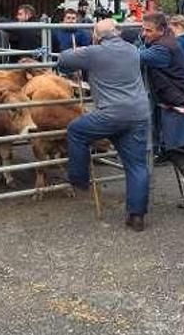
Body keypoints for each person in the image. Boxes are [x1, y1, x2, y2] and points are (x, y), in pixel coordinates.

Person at [59, 18, 151, 232]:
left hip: (110, 114)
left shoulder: (92, 52)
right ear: (117, 33)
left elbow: (63, 62)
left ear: (96, 35)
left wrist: (80, 50)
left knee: (76, 130)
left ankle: (79, 179)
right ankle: (136, 216)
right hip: (138, 113)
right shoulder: (132, 50)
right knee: (137, 166)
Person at [140, 12, 184, 208]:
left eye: (148, 30)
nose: (144, 34)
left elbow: (137, 56)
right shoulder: (168, 41)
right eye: (143, 29)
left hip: (178, 102)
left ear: (162, 30)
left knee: (174, 148)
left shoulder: (161, 49)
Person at [53, 9, 92, 77]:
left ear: (76, 20)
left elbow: (86, 50)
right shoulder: (56, 31)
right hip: (61, 67)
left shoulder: (82, 32)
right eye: (68, 18)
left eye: (73, 18)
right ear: (63, 19)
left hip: (77, 69)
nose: (71, 20)